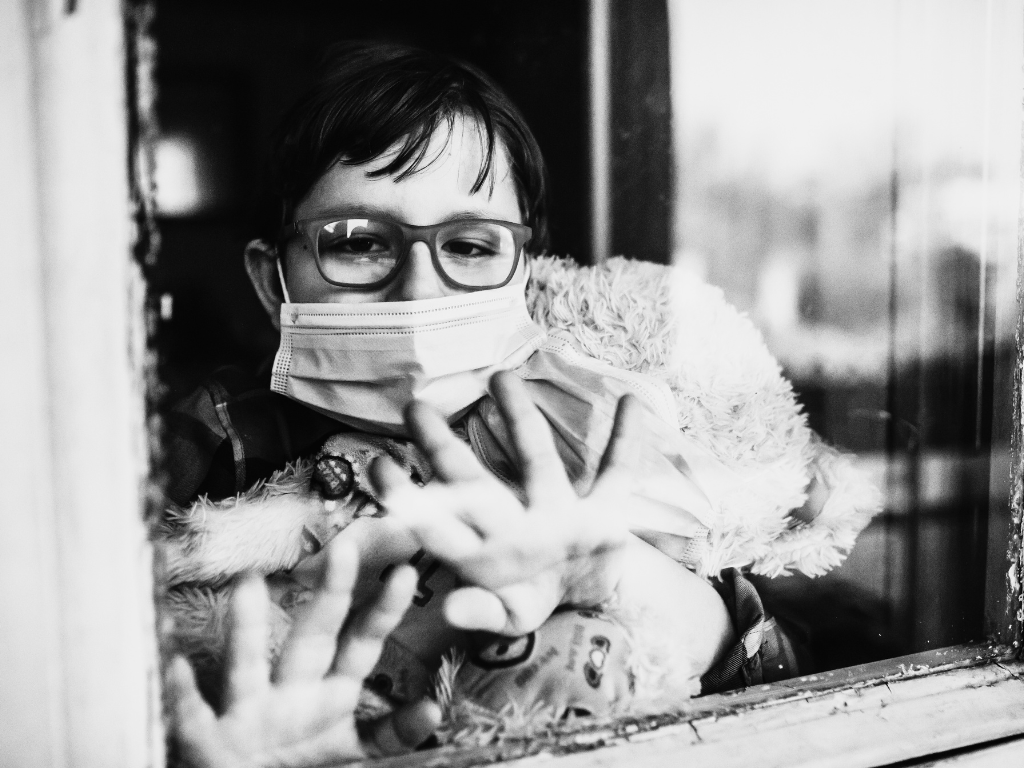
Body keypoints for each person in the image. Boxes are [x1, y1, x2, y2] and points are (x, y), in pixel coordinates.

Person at [162, 41, 804, 765]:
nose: (418, 289)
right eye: (357, 242)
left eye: (470, 246)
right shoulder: (213, 438)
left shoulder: (581, 433)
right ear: (271, 279)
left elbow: (779, 676)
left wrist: (618, 572)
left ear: (521, 275)